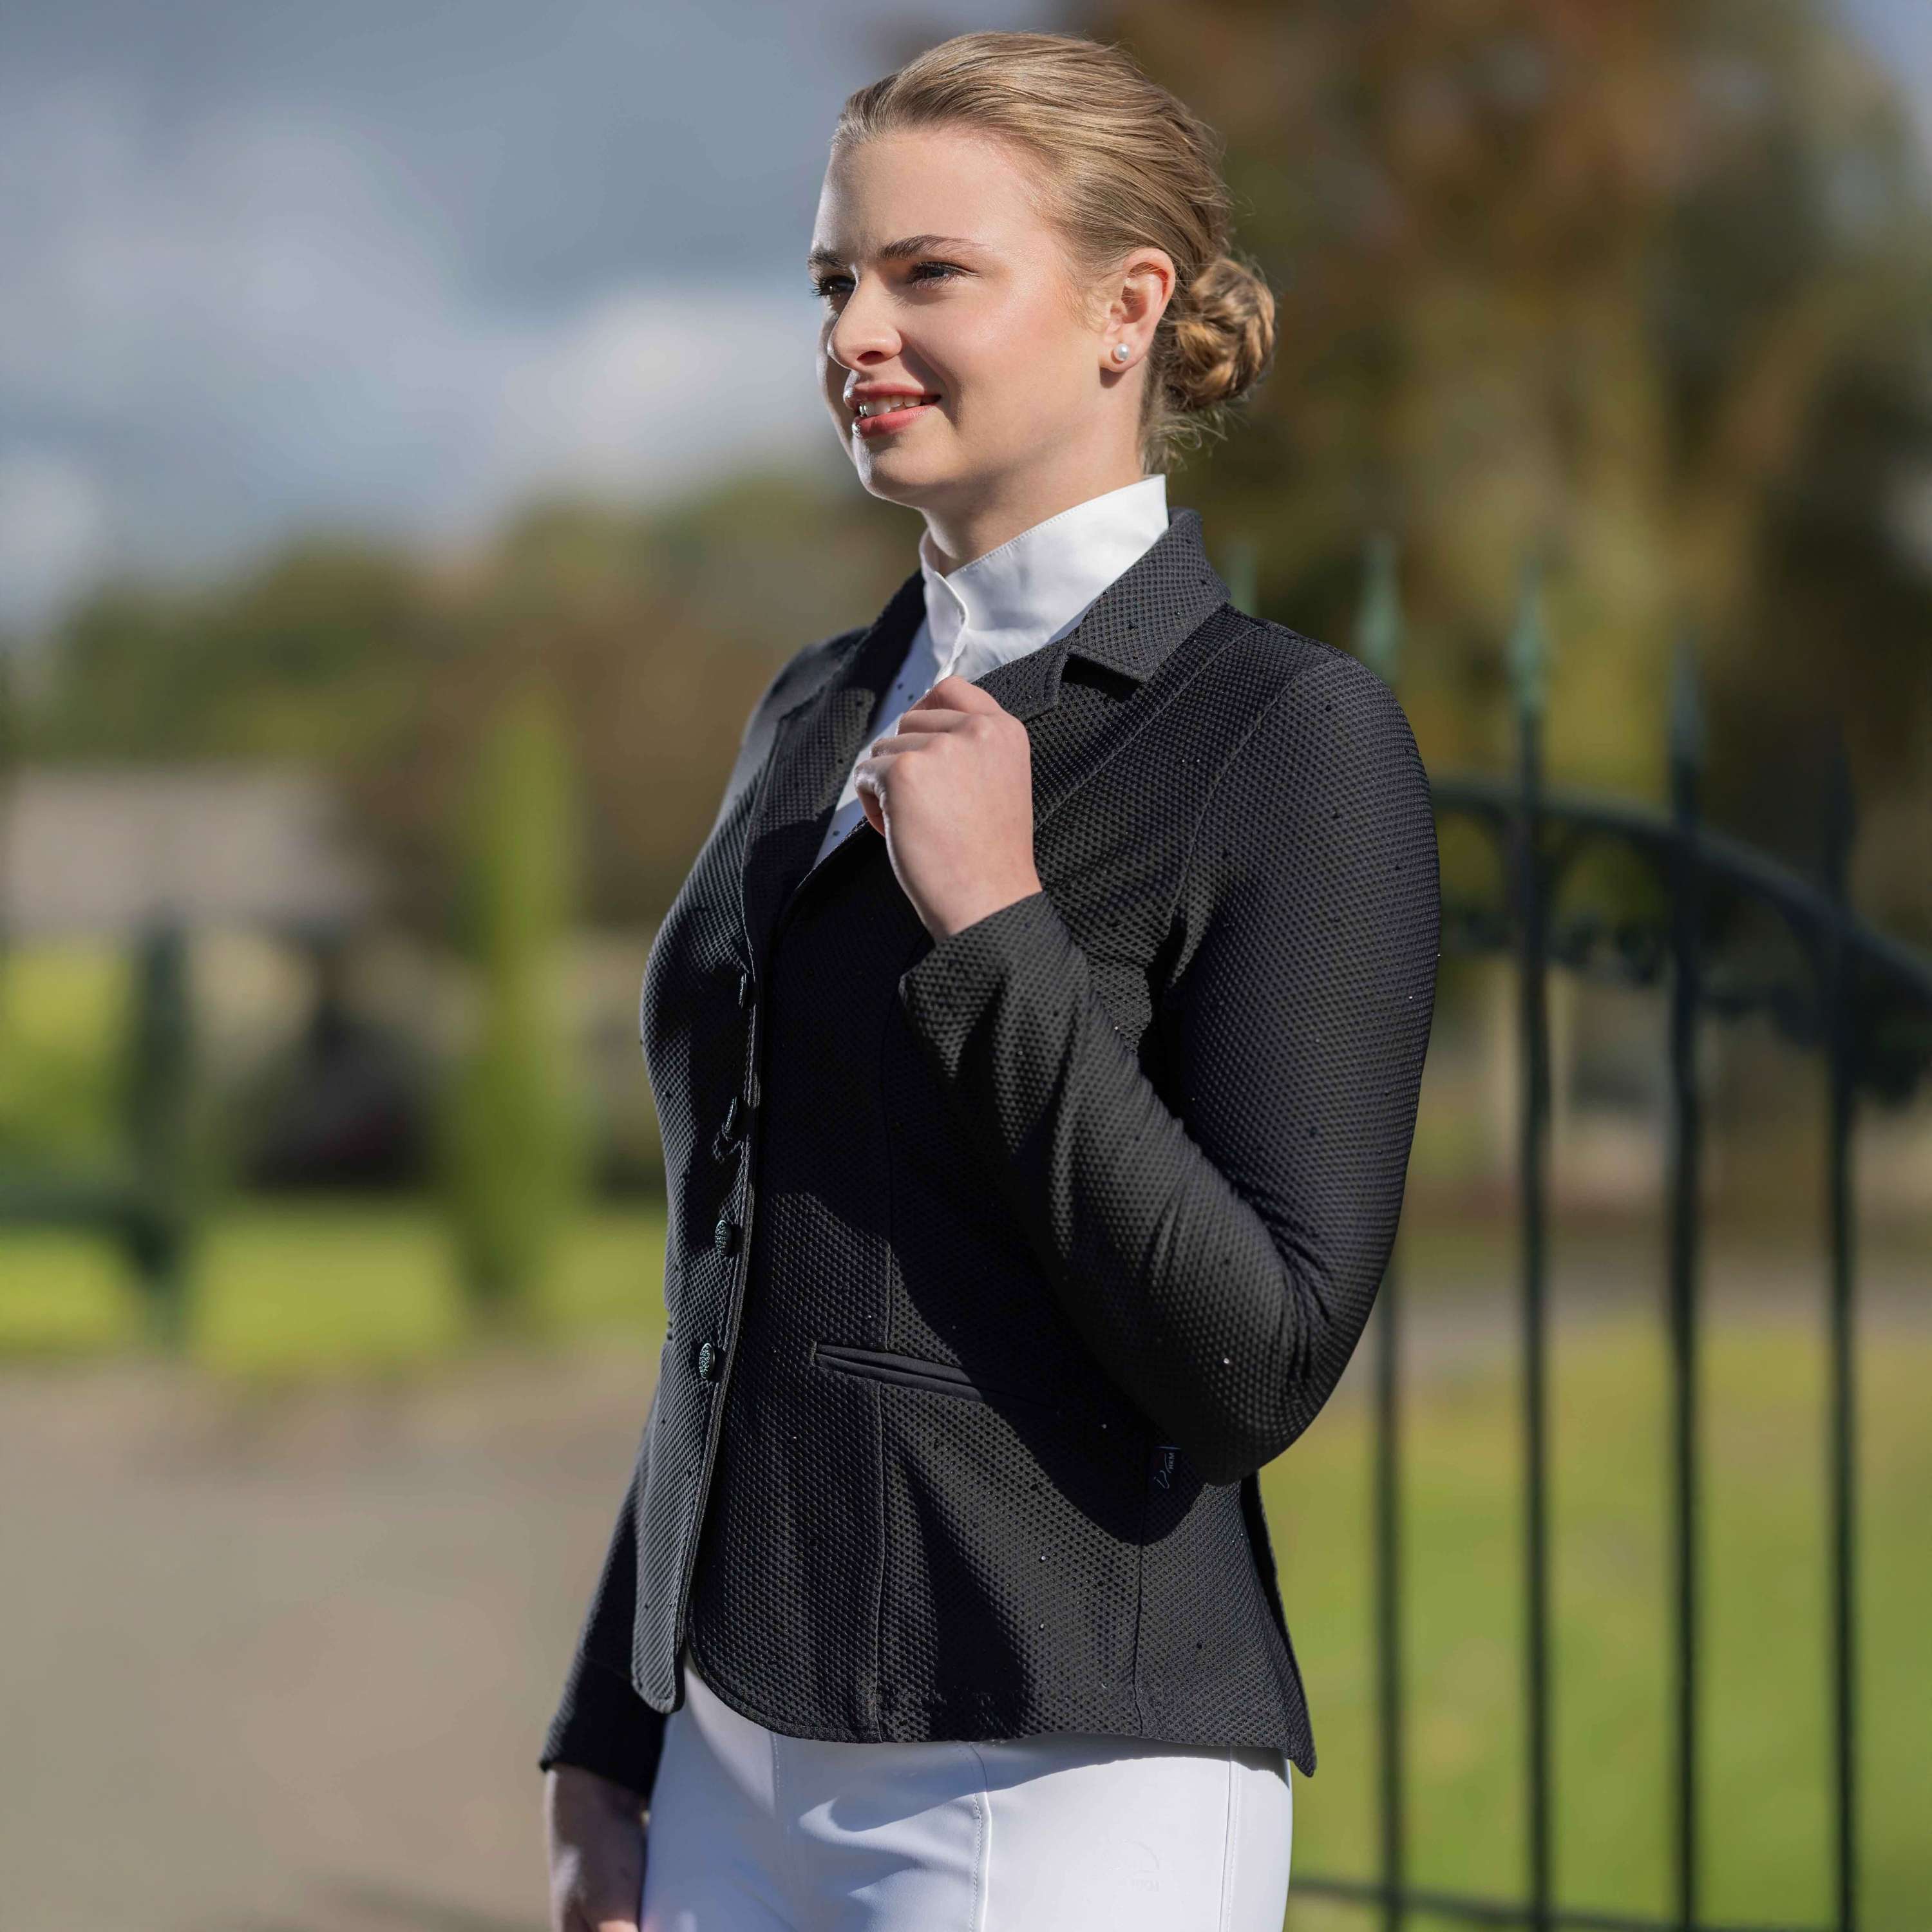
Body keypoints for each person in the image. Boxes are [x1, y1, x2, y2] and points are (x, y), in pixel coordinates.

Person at [541, 28, 1439, 1932]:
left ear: (1130, 308)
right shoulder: (811, 707)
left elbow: (1258, 1357)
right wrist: (610, 1729)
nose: (855, 334)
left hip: (1058, 1780)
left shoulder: (1284, 734)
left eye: (926, 272)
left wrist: (1001, 927)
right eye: (831, 283)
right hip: (722, 1764)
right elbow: (736, 1264)